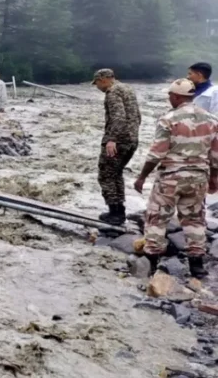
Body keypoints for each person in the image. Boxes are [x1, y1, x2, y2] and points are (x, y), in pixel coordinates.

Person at [132, 79, 218, 278]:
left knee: (157, 218)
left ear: (177, 97)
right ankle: (197, 266)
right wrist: (214, 178)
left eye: (170, 95)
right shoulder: (212, 119)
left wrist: (142, 177)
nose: (169, 98)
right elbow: (215, 156)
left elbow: (156, 153)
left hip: (170, 178)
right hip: (198, 178)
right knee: (195, 220)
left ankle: (151, 263)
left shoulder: (168, 119)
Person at [93, 68, 141, 226]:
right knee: (116, 173)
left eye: (97, 83)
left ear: (103, 79)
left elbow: (118, 117)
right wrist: (132, 135)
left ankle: (115, 213)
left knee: (106, 175)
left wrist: (112, 139)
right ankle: (119, 210)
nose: (97, 87)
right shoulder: (127, 89)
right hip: (132, 139)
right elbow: (138, 116)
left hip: (118, 141)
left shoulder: (112, 92)